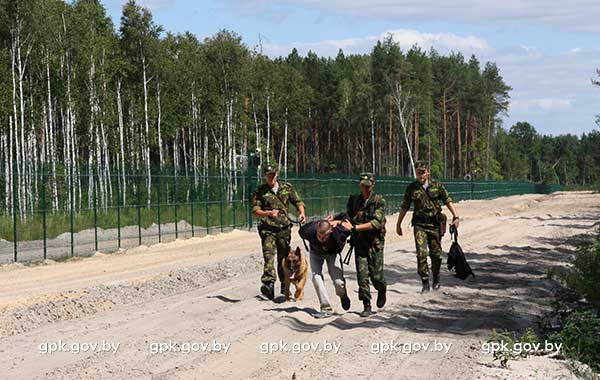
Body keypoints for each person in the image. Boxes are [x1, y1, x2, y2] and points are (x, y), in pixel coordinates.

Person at [396, 162, 459, 293]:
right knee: (421, 254)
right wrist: (398, 224)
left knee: (436, 255)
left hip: (435, 224)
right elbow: (405, 206)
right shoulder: (412, 188)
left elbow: (447, 200)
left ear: (428, 172)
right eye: (419, 172)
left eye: (423, 172)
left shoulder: (437, 186)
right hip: (419, 225)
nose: (421, 175)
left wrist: (456, 216)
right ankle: (425, 282)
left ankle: (436, 277)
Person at [251, 164, 306, 300]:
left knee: (283, 258)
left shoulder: (286, 188)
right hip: (268, 229)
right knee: (268, 256)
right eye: (268, 175)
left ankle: (284, 284)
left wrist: (302, 213)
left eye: (273, 175)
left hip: (283, 229)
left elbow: (298, 202)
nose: (271, 177)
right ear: (264, 176)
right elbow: (255, 211)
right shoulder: (260, 191)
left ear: (277, 175)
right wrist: (268, 213)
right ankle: (268, 284)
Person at [345, 172, 387, 317]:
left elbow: (376, 223)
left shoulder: (379, 201)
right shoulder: (354, 201)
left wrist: (355, 228)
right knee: (362, 277)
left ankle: (382, 289)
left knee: (377, 277)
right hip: (359, 244)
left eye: (368, 186)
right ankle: (366, 304)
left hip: (375, 244)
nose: (365, 189)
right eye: (363, 186)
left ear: (373, 185)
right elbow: (347, 217)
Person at [299, 218, 353, 318]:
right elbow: (301, 230)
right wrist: (320, 220)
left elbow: (350, 227)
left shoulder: (338, 232)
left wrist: (341, 223)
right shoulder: (310, 231)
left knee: (338, 282)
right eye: (319, 236)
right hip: (316, 253)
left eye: (325, 237)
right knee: (316, 277)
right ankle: (325, 308)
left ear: (330, 231)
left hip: (332, 254)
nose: (321, 238)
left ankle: (343, 295)